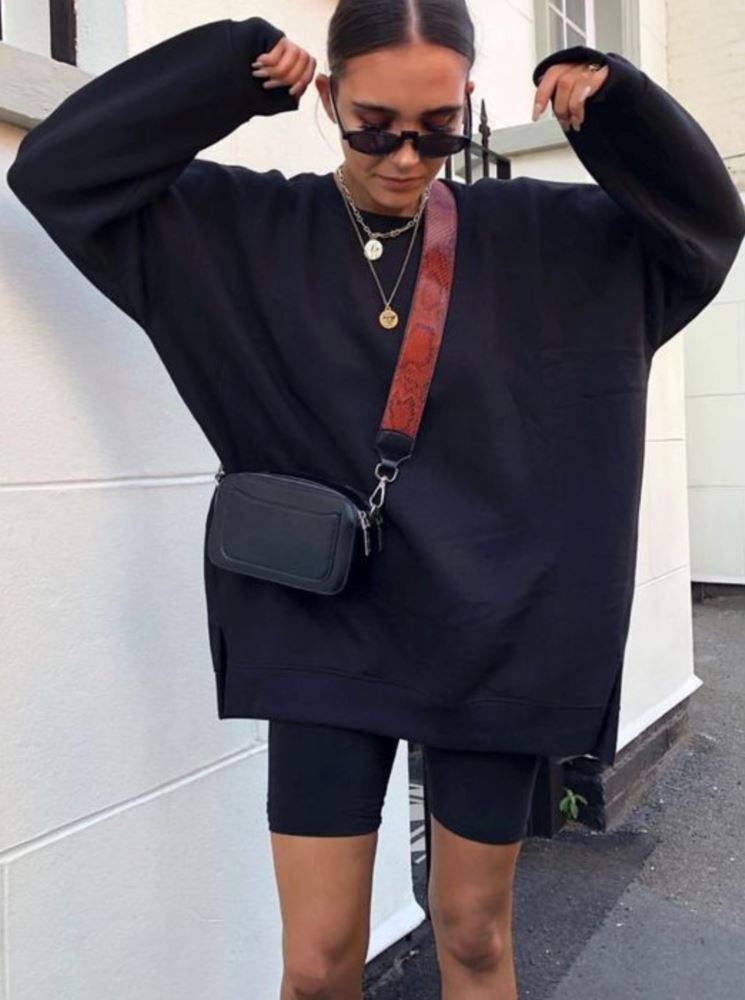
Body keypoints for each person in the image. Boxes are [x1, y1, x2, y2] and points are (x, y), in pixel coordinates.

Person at [7, 1, 745, 997]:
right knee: (317, 964)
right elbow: (57, 171)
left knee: (473, 934)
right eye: (373, 127)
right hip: (323, 623)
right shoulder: (245, 232)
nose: (405, 157)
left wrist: (622, 110)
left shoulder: (548, 242)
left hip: (497, 628)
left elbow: (701, 230)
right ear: (326, 98)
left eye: (437, 130)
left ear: (469, 100)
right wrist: (223, 72)